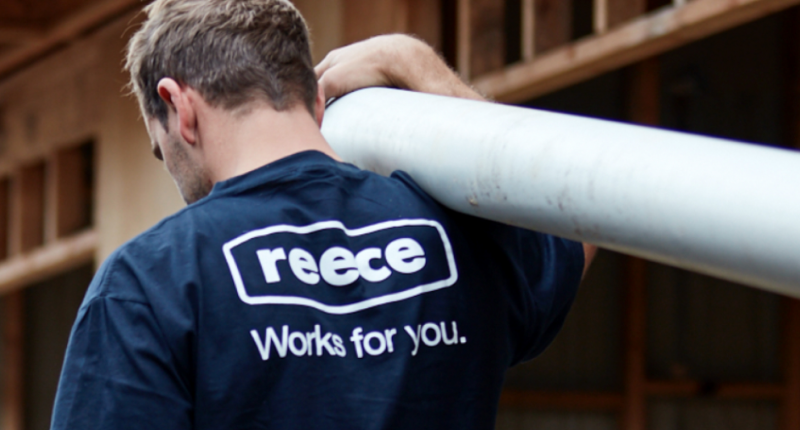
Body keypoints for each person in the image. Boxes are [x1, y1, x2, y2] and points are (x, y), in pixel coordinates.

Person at [51, 1, 595, 429]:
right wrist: (417, 67)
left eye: (160, 150)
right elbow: (581, 210)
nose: (170, 168)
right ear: (314, 99)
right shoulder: (454, 234)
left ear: (179, 106)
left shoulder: (148, 282)